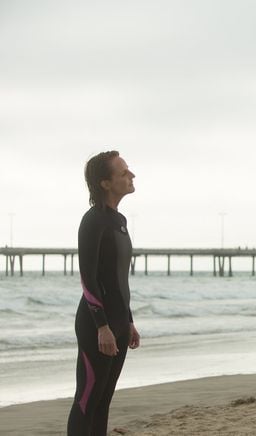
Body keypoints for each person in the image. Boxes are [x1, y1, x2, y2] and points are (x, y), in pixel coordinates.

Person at [68, 151, 141, 436]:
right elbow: (89, 278)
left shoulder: (119, 220)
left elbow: (117, 279)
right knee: (87, 400)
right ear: (105, 183)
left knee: (103, 401)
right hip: (96, 326)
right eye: (123, 173)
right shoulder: (93, 221)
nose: (131, 175)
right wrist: (102, 326)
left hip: (118, 323)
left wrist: (129, 320)